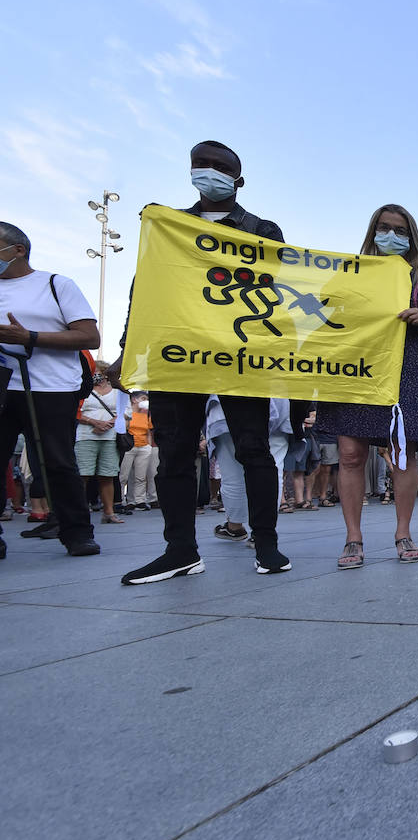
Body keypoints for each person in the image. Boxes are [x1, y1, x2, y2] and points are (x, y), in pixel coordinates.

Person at [107, 141, 290, 582]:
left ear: (238, 180)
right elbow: (145, 290)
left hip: (240, 352)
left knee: (254, 448)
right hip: (178, 351)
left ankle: (266, 544)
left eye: (218, 166)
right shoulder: (169, 227)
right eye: (200, 164)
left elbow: (278, 290)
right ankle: (180, 551)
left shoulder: (263, 229)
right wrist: (128, 348)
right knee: (174, 452)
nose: (207, 171)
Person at [316, 204, 418, 567]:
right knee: (350, 454)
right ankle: (353, 538)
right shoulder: (351, 272)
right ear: (372, 232)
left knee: (403, 454)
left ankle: (403, 532)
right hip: (358, 370)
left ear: (411, 237)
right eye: (383, 227)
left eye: (400, 230)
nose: (391, 235)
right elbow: (321, 312)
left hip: (404, 370)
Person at [0, 221, 101, 558]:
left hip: (50, 388)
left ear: (18, 250)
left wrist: (30, 337)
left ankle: (77, 532)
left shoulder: (56, 284)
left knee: (58, 461)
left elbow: (89, 337)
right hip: (4, 385)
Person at [75, 363, 123, 524]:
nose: (95, 374)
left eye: (97, 372)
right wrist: (94, 422)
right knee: (83, 474)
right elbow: (75, 411)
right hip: (85, 436)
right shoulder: (83, 389)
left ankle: (109, 512)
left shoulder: (117, 391)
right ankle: (78, 513)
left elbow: (125, 412)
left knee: (108, 475)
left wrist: (107, 424)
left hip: (110, 437)